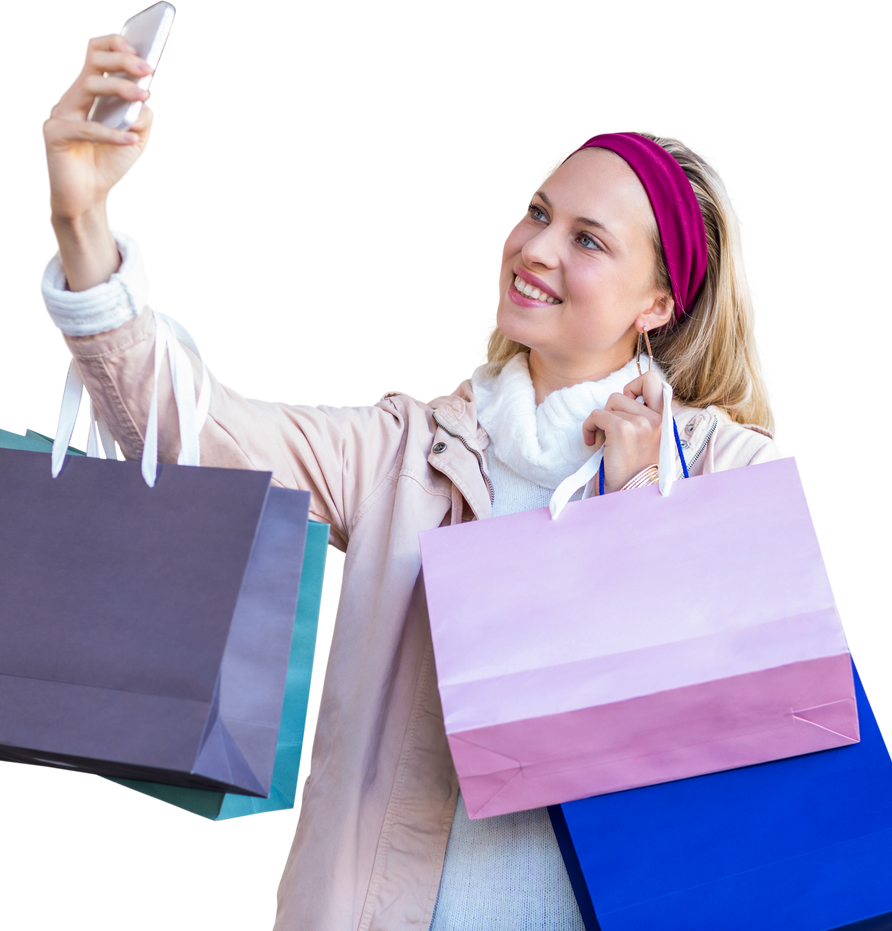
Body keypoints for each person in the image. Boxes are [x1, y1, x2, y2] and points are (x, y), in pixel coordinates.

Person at [39, 34, 786, 931]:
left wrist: (632, 512)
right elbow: (190, 430)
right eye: (538, 212)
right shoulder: (402, 453)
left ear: (657, 305)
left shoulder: (731, 470)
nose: (536, 248)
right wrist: (81, 219)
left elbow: (748, 725)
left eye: (587, 238)